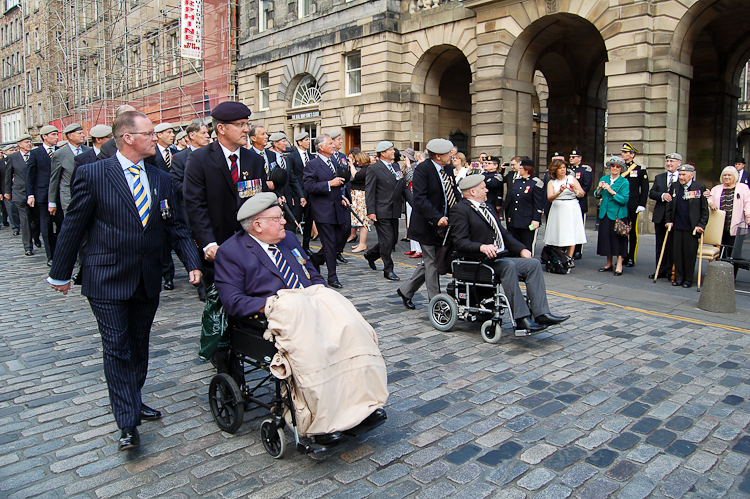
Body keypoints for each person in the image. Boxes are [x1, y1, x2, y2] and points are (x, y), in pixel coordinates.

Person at [47, 111, 203, 451]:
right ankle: (127, 421)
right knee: (117, 347)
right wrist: (59, 273)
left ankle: (132, 396)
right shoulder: (94, 174)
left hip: (146, 277)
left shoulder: (160, 178)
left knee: (139, 344)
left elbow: (174, 225)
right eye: (148, 133)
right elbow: (73, 226)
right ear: (128, 138)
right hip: (106, 277)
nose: (156, 138)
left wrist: (191, 262)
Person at [214, 192, 387, 445]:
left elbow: (313, 275)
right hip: (271, 320)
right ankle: (321, 421)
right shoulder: (232, 252)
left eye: (282, 217)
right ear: (257, 225)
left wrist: (320, 297)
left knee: (352, 331)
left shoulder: (289, 240)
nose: (284, 222)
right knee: (313, 348)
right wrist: (274, 305)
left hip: (312, 307)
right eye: (277, 218)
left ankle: (361, 407)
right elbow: (233, 302)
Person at [451, 174, 569, 334]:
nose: (486, 190)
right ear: (472, 192)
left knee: (533, 264)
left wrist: (521, 249)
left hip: (498, 258)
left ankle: (541, 313)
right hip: (478, 261)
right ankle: (521, 319)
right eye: (483, 188)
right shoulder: (460, 210)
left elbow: (504, 234)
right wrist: (482, 247)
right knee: (509, 266)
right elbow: (459, 242)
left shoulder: (488, 207)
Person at [183, 101, 269, 289]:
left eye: (247, 124)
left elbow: (262, 199)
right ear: (221, 128)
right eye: (240, 125)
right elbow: (195, 205)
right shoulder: (199, 159)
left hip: (251, 245)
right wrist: (208, 244)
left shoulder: (254, 160)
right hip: (217, 248)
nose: (246, 130)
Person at [396, 138, 458, 309]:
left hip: (446, 224)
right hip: (428, 224)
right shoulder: (423, 169)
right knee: (432, 262)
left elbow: (452, 193)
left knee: (432, 261)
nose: (452, 155)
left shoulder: (448, 169)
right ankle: (436, 302)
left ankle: (406, 290)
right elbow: (420, 198)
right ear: (438, 156)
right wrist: (437, 217)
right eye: (448, 153)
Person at [302, 134, 350, 288]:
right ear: (321, 147)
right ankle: (332, 276)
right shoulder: (313, 165)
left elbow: (340, 183)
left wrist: (342, 196)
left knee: (342, 235)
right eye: (330, 143)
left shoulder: (334, 161)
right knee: (329, 243)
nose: (334, 146)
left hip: (338, 207)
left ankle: (315, 260)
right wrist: (329, 184)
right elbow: (309, 187)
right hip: (323, 210)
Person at [364, 141, 413, 281]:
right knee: (387, 240)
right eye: (390, 150)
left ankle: (371, 255)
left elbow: (402, 186)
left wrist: (415, 203)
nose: (393, 152)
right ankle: (388, 269)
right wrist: (371, 210)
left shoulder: (395, 166)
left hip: (394, 209)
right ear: (382, 153)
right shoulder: (374, 169)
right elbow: (370, 191)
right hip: (381, 209)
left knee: (393, 240)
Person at [665, 165, 709, 288]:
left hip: (692, 227)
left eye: (684, 174)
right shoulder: (674, 186)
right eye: (680, 174)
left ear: (692, 175)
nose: (681, 177)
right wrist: (668, 220)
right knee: (677, 253)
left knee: (689, 254)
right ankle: (679, 277)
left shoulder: (699, 187)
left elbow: (704, 210)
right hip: (677, 225)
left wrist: (701, 225)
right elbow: (669, 206)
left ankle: (688, 279)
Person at [26, 125, 61, 266]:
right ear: (44, 136)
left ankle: (60, 252)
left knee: (61, 225)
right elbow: (30, 176)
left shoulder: (60, 151)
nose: (56, 137)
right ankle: (50, 256)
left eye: (57, 134)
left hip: (58, 195)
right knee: (46, 227)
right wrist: (31, 194)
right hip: (42, 195)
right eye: (53, 135)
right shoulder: (36, 153)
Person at [544, 158, 587, 261]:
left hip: (571, 206)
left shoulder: (572, 179)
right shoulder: (552, 182)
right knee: (559, 232)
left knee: (570, 232)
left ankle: (569, 258)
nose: (563, 170)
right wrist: (559, 191)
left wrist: (574, 190)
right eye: (560, 168)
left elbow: (582, 193)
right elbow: (550, 198)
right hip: (558, 207)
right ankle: (559, 256)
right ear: (555, 170)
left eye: (564, 167)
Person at [648, 153, 682, 279]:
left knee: (673, 244)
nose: (669, 163)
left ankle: (671, 270)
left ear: (679, 163)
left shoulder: (682, 177)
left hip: (676, 216)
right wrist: (662, 196)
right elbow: (652, 193)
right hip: (660, 215)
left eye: (672, 161)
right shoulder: (659, 177)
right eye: (667, 161)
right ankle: (659, 270)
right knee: (660, 244)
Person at [594, 156, 630, 276]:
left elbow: (624, 200)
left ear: (621, 169)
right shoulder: (604, 178)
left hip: (618, 215)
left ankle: (619, 264)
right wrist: (599, 189)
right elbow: (596, 196)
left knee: (618, 240)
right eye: (613, 166)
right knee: (606, 239)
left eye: (617, 167)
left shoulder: (624, 182)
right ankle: (608, 263)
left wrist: (611, 191)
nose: (614, 168)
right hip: (605, 213)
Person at [706, 166, 750, 258]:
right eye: (724, 175)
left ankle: (732, 271)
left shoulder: (743, 188)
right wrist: (711, 203)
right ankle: (721, 270)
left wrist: (748, 216)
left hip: (736, 225)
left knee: (734, 252)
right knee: (720, 251)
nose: (726, 177)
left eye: (729, 175)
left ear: (735, 176)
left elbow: (747, 202)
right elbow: (710, 199)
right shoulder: (716, 188)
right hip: (719, 226)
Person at [49, 123, 91, 216]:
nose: (83, 136)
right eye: (79, 133)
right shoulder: (60, 154)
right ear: (70, 136)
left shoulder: (88, 151)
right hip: (68, 196)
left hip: (87, 195)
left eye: (83, 133)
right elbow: (54, 179)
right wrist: (52, 202)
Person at [4, 135, 36, 256]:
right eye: (26, 142)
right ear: (19, 144)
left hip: (34, 192)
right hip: (19, 192)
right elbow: (8, 175)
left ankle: (36, 237)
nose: (29, 144)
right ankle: (28, 246)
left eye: (30, 142)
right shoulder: (13, 157)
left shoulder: (35, 155)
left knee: (36, 220)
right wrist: (7, 191)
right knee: (25, 220)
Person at [267, 132, 305, 232]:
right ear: (275, 143)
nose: (286, 144)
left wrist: (301, 196)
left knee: (291, 226)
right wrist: (278, 195)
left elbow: (293, 180)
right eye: (283, 141)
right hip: (274, 199)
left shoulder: (286, 160)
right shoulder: (269, 158)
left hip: (287, 199)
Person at [620, 142, 649, 267]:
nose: (623, 154)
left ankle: (631, 257)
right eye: (623, 152)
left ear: (632, 155)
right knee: (621, 231)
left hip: (633, 204)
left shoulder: (639, 168)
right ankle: (622, 255)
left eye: (626, 152)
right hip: (620, 203)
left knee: (632, 232)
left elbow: (645, 188)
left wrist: (642, 204)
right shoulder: (619, 167)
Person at [505, 159, 544, 252]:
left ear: (527, 169)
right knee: (516, 243)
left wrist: (536, 219)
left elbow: (538, 203)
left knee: (527, 244)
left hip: (527, 219)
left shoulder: (536, 183)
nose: (519, 170)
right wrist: (510, 215)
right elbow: (513, 200)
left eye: (521, 168)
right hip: (516, 217)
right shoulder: (517, 181)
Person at [569, 150, 593, 259]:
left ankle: (578, 250)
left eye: (574, 157)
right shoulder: (568, 170)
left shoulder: (585, 170)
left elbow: (586, 186)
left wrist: (576, 193)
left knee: (578, 227)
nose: (571, 159)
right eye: (570, 157)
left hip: (579, 202)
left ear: (580, 158)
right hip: (568, 202)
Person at [348, 150, 370, 253]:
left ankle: (363, 243)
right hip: (357, 197)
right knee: (358, 220)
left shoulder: (366, 169)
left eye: (358, 161)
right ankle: (361, 242)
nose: (357, 163)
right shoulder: (364, 168)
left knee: (362, 221)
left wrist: (351, 165)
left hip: (361, 196)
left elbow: (356, 176)